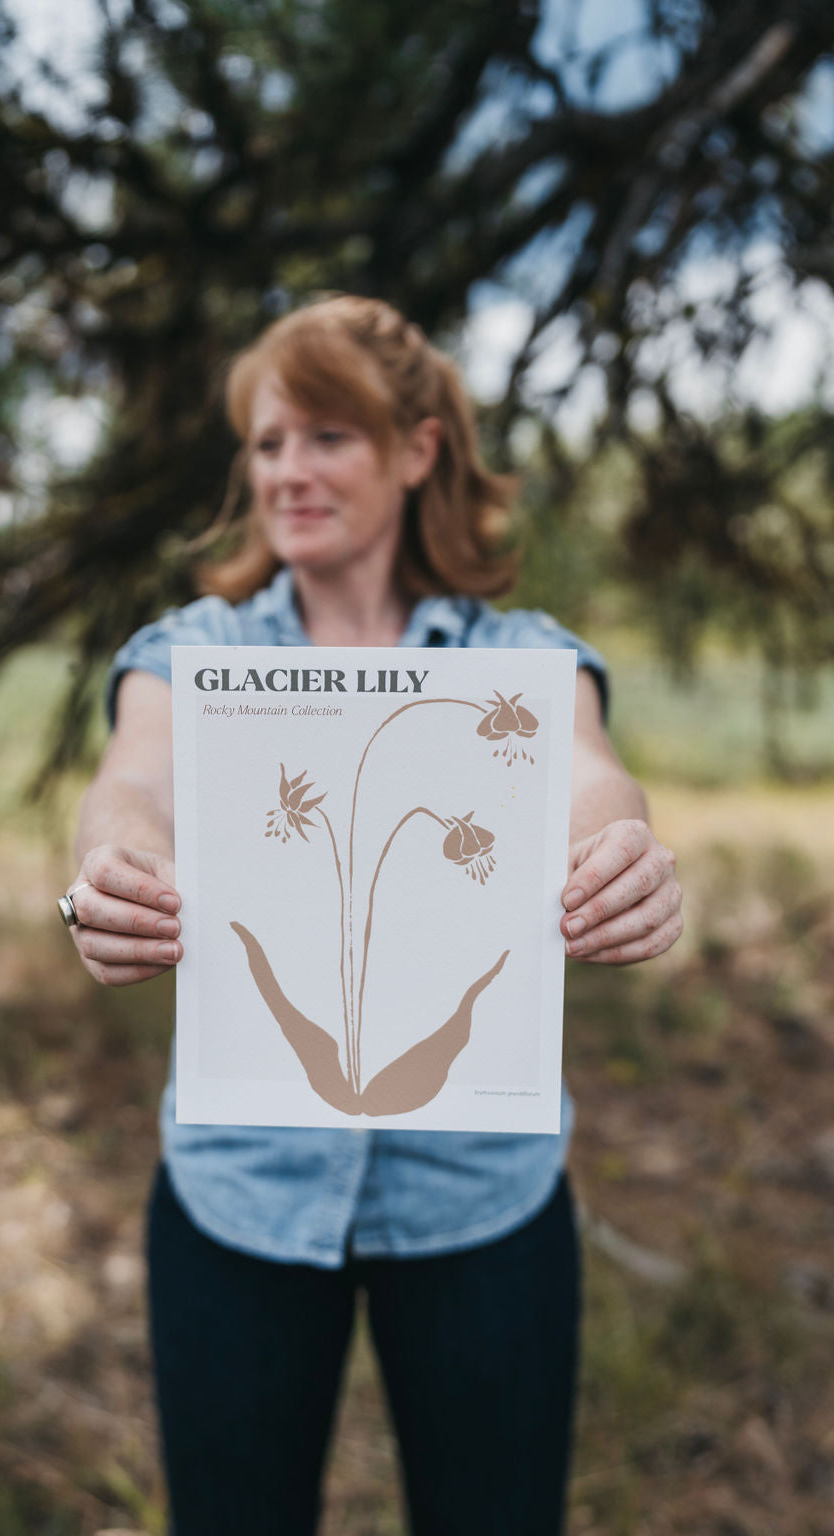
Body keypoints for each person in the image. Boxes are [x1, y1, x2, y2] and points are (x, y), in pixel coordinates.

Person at [59, 295, 683, 1535]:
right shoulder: (196, 651)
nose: (286, 471)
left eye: (326, 436)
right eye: (268, 441)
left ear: (416, 450)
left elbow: (586, 769)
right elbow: (131, 782)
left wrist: (621, 849)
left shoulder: (518, 657)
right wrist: (111, 869)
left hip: (481, 1198)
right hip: (238, 1195)